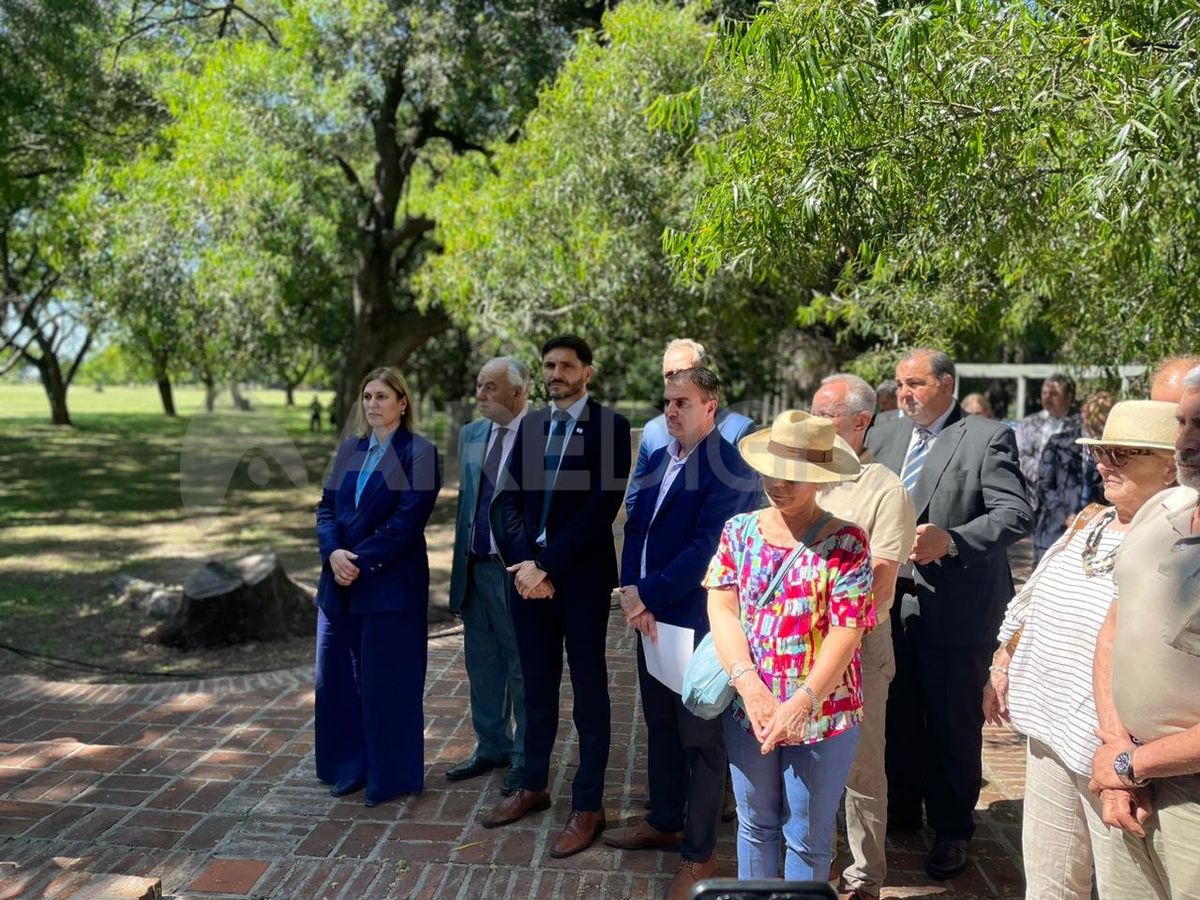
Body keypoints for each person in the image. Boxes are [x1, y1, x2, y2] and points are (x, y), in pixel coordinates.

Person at [984, 400, 1179, 900]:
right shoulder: (1090, 521)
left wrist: (1122, 758)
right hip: (1048, 729)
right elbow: (1032, 596)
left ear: (1172, 466)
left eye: (1123, 453)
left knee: (1123, 886)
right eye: (1102, 450)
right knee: (1049, 880)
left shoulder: (1174, 544)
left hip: (1110, 747)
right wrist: (1002, 661)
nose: (1104, 462)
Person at [865, 348, 1031, 880]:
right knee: (899, 712)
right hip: (892, 603)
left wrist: (953, 541)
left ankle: (954, 828)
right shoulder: (885, 434)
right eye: (898, 384)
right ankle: (903, 810)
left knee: (953, 724)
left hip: (957, 609)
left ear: (946, 384)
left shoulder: (986, 436)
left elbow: (1016, 513)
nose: (903, 393)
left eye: (914, 383)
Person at [604, 367, 759, 900]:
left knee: (701, 742)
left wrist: (647, 594)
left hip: (695, 621)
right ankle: (664, 819)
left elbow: (706, 551)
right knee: (661, 726)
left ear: (711, 406)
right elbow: (634, 527)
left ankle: (698, 855)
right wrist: (632, 594)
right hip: (648, 618)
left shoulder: (729, 467)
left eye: (682, 403)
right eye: (667, 402)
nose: (670, 411)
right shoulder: (657, 458)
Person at [705, 410, 874, 881]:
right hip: (750, 710)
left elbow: (848, 629)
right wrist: (750, 686)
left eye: (794, 475)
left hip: (823, 713)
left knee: (807, 837)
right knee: (755, 825)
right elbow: (721, 608)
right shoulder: (739, 532)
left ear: (819, 479)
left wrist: (803, 701)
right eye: (772, 471)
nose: (779, 483)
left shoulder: (848, 541)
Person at [480, 335, 632, 859]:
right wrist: (525, 565)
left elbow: (600, 510)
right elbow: (508, 503)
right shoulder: (531, 426)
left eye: (567, 365)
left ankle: (588, 804)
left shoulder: (609, 428)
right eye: (549, 365)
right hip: (527, 579)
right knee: (537, 689)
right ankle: (533, 784)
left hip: (581, 580)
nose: (556, 373)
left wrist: (547, 564)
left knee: (589, 693)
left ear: (587, 371)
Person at [1089, 369, 1200, 900]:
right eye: (1182, 423)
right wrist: (1117, 745)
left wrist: (1129, 764)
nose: (1186, 441)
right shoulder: (1164, 508)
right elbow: (1115, 629)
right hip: (1130, 778)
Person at [314, 367, 441, 806]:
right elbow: (326, 508)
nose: (372, 404)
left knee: (387, 683)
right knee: (337, 681)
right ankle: (349, 766)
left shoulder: (420, 453)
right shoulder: (349, 449)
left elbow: (407, 521)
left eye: (382, 396)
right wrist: (333, 555)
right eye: (367, 396)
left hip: (389, 585)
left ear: (403, 403)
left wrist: (359, 562)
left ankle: (391, 774)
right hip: (338, 583)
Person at [811, 375, 917, 900]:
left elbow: (880, 580)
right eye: (813, 412)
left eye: (827, 414)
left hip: (858, 647)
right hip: (798, 645)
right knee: (805, 755)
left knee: (860, 765)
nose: (816, 423)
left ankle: (864, 876)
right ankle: (816, 862)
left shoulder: (884, 487)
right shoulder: (803, 474)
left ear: (860, 421)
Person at [446, 357, 530, 795]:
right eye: (478, 385)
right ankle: (491, 745)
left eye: (490, 387)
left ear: (518, 393)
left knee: (521, 667)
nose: (480, 395)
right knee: (481, 665)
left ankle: (523, 756)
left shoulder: (540, 438)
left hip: (514, 573)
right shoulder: (471, 434)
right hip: (475, 568)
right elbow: (466, 506)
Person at [626, 338, 755, 516]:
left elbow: (741, 508)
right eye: (669, 375)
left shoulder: (738, 430)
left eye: (684, 372)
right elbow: (635, 500)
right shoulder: (653, 431)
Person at [1032, 391, 1113, 561]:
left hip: (1093, 535)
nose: (1099, 425)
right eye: (1096, 418)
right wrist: (1065, 516)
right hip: (1054, 532)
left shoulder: (1111, 450)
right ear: (1084, 413)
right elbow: (1044, 485)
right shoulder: (1058, 443)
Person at [1016, 374, 1079, 507]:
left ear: (1069, 397)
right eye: (1044, 393)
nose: (1047, 398)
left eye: (1054, 394)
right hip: (1033, 496)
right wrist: (1045, 472)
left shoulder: (1080, 425)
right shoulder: (1029, 423)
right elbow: (1020, 456)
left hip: (1069, 497)